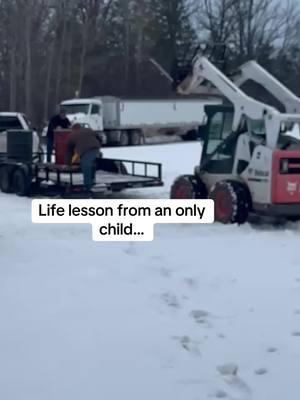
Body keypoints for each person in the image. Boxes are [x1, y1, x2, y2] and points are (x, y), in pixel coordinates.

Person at [65, 124, 101, 193]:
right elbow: (99, 137)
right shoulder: (89, 130)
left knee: (86, 166)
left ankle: (87, 186)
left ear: (73, 129)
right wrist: (99, 145)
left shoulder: (71, 135)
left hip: (85, 150)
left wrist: (68, 163)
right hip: (96, 148)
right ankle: (92, 180)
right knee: (92, 164)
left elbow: (68, 151)